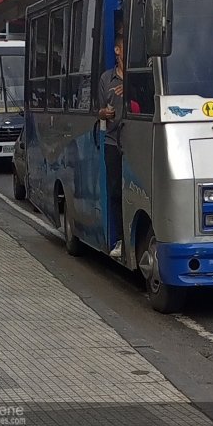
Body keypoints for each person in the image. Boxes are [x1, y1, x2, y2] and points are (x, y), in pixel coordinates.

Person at [98, 34, 124, 258]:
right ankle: (119, 239)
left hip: (135, 141)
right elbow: (97, 110)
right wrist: (104, 113)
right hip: (112, 142)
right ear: (117, 50)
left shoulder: (138, 77)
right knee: (115, 192)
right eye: (124, 48)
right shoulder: (107, 79)